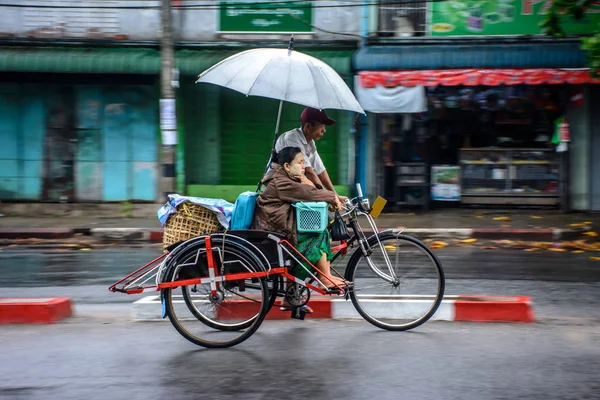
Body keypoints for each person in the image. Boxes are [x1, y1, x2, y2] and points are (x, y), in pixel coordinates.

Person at [252, 146, 349, 312]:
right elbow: (307, 193)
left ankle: (292, 297)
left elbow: (308, 190)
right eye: (300, 162)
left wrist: (333, 197)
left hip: (280, 229)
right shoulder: (280, 181)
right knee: (317, 235)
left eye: (304, 162)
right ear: (287, 166)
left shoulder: (285, 177)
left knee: (319, 229)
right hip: (273, 234)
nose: (304, 166)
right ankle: (323, 278)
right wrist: (332, 196)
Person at [275, 107, 347, 202]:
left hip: (292, 188)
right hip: (280, 190)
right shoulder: (292, 139)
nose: (324, 130)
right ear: (308, 127)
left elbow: (320, 170)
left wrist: (334, 195)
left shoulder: (310, 142)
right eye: (321, 126)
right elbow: (309, 172)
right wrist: (327, 196)